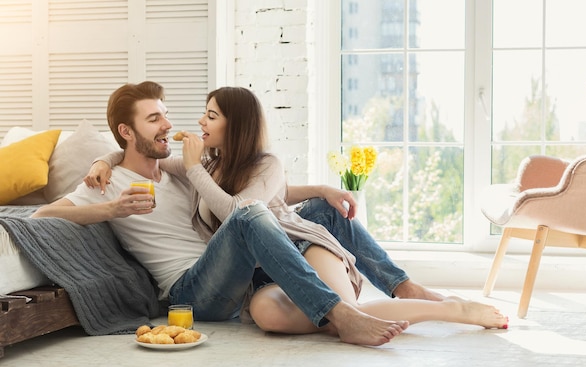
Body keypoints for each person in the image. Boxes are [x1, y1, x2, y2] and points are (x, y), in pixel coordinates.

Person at [86, 85, 509, 334]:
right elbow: (141, 154)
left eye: (210, 115)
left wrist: (195, 171)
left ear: (234, 124)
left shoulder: (253, 164)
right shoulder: (206, 165)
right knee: (268, 309)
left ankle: (421, 299)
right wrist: (104, 159)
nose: (198, 122)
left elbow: (244, 208)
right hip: (262, 269)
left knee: (314, 230)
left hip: (293, 246)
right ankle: (370, 307)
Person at [31, 81, 409, 347]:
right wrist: (111, 207)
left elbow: (255, 193)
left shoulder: (181, 170)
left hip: (232, 276)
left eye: (165, 115)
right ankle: (341, 315)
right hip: (189, 293)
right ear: (126, 132)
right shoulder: (107, 183)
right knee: (248, 215)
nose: (168, 125)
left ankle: (402, 285)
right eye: (154, 120)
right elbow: (42, 216)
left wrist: (323, 189)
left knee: (318, 209)